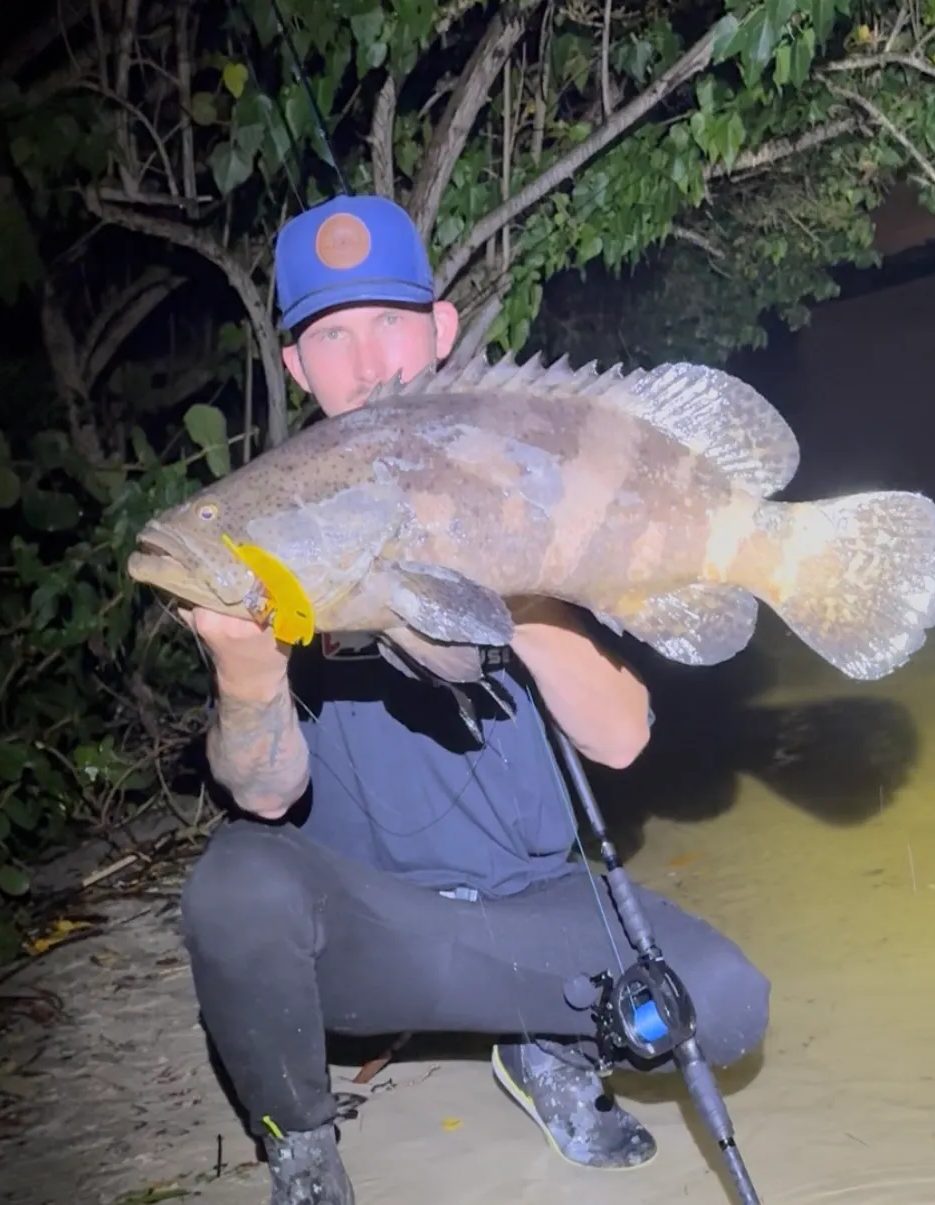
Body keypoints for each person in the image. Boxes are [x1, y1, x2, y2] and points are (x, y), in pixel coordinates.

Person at [177, 194, 770, 1204]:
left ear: (441, 330)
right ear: (296, 367)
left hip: (532, 910)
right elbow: (264, 794)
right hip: (376, 937)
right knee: (233, 885)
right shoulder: (277, 517)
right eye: (331, 335)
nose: (366, 364)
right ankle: (303, 1149)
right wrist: (246, 669)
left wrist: (523, 586)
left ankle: (542, 1047)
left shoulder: (527, 466)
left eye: (389, 324)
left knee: (723, 1002)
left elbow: (621, 741)